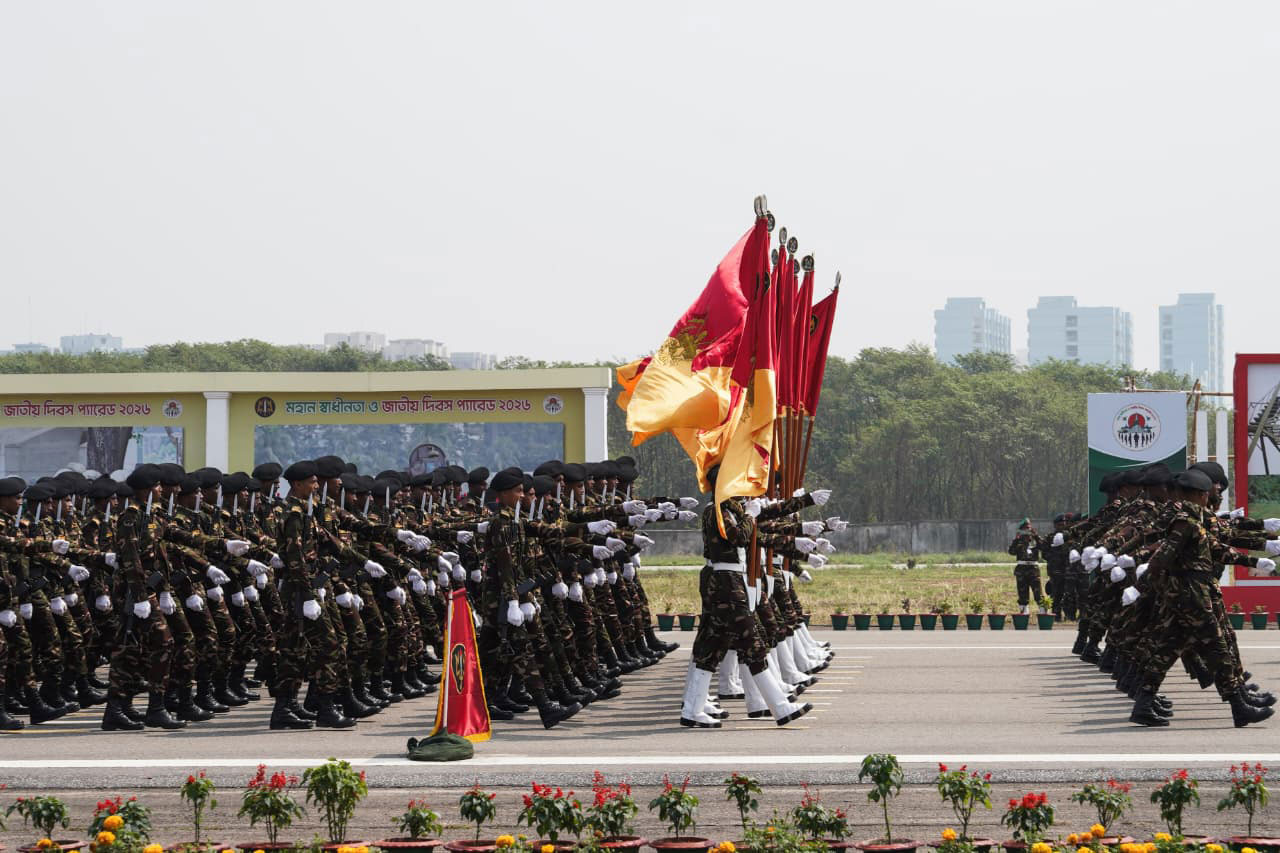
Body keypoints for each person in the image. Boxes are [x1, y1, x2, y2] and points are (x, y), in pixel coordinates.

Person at [1008, 519, 1044, 615]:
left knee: (1038, 592)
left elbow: (1043, 547)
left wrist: (1036, 536)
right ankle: (1024, 613)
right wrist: (1016, 540)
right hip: (1022, 569)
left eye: (1028, 528)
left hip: (1033, 568)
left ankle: (1043, 612)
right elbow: (1011, 552)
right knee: (1022, 592)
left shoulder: (1035, 539)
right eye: (1025, 528)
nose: (1027, 530)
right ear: (1021, 529)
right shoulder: (1018, 540)